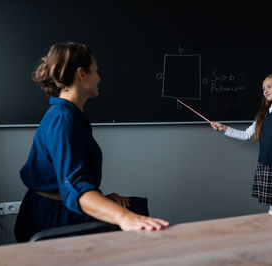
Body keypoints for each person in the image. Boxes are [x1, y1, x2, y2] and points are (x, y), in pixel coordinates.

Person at [14, 42, 169, 242]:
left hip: (61, 207)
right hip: (53, 218)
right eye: (96, 71)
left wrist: (103, 201)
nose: (99, 78)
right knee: (136, 222)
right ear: (81, 74)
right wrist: (125, 218)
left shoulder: (71, 115)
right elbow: (74, 187)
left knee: (135, 205)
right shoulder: (63, 119)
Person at [211, 73, 272, 211]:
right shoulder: (265, 114)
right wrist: (224, 128)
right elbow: (245, 134)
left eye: (269, 86)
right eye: (263, 88)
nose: (265, 90)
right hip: (265, 166)